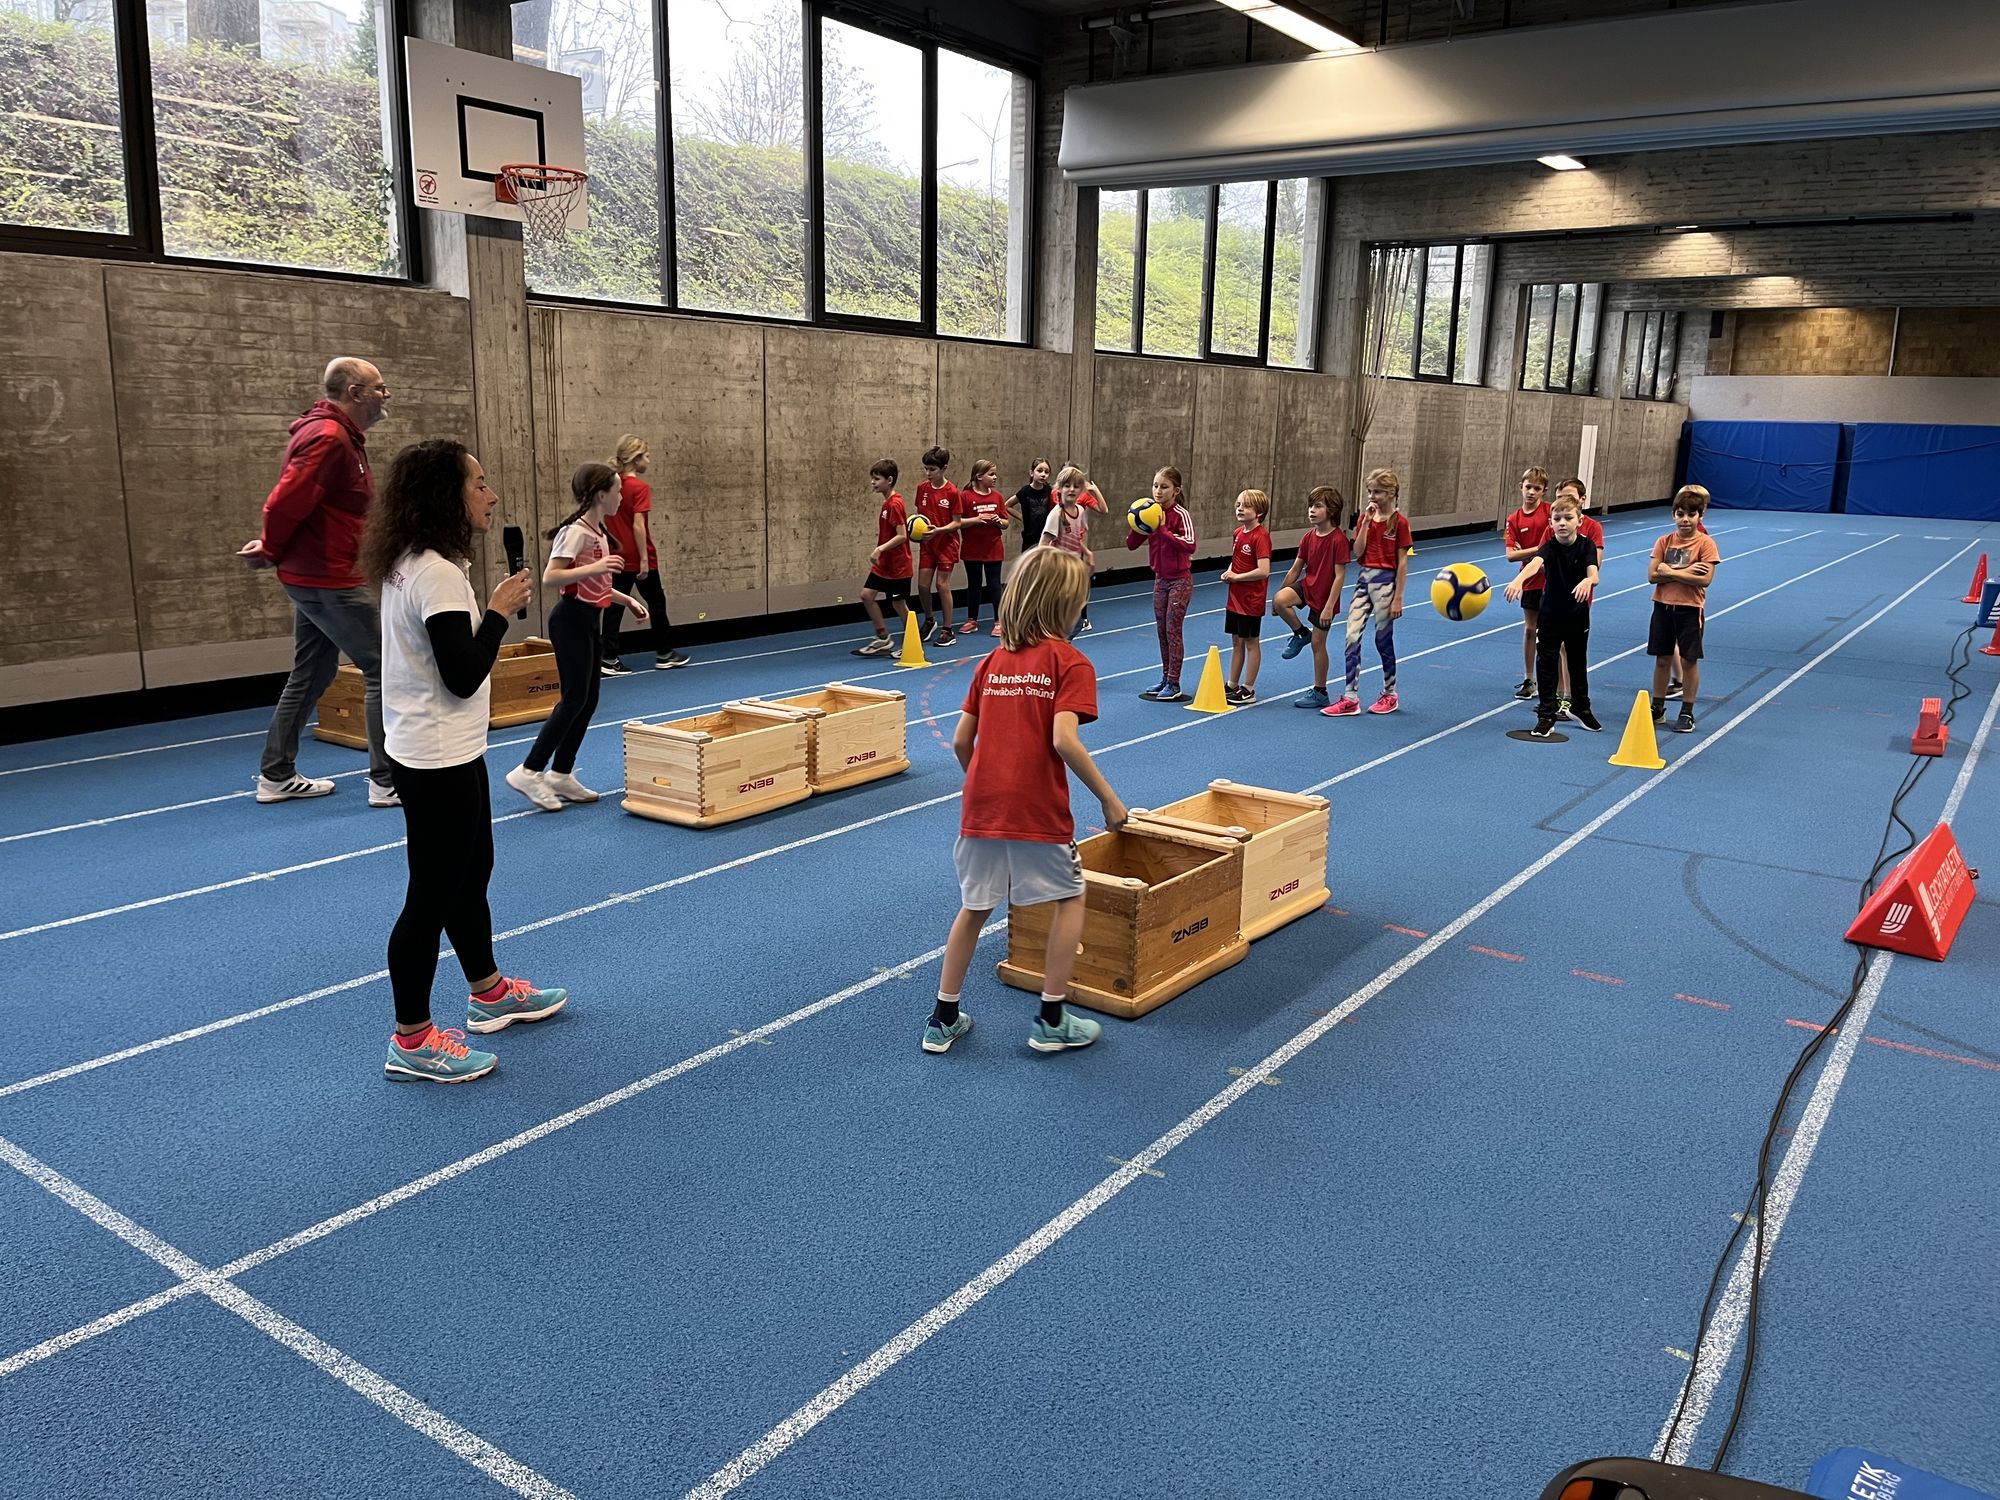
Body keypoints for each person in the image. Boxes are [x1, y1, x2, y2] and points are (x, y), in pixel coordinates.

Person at [361, 438, 565, 1084]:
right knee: (431, 896)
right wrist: (499, 612)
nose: (491, 495)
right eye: (479, 484)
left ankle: (488, 991)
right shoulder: (437, 575)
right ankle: (412, 1039)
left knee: (470, 873)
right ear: (445, 496)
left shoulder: (411, 560)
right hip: (437, 754)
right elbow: (463, 673)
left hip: (443, 746)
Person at [923, 546, 1128, 1057]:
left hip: (981, 810)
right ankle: (1051, 1019)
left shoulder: (992, 663)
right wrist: (1109, 799)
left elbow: (961, 742)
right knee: (1071, 897)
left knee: (974, 908)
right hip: (1037, 811)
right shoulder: (1070, 662)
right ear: (1066, 606)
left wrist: (987, 784)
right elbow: (1063, 740)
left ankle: (942, 1018)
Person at [241, 356, 399, 808]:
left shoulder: (340, 436)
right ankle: (387, 781)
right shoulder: (329, 437)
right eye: (380, 388)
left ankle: (276, 774)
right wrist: (271, 548)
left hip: (317, 574)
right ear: (355, 393)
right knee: (384, 669)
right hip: (328, 578)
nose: (386, 395)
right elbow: (285, 502)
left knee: (312, 672)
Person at [505, 463, 646, 811]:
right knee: (573, 699)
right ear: (601, 494)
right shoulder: (576, 532)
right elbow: (551, 577)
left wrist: (627, 600)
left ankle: (561, 773)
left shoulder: (599, 533)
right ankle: (529, 769)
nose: (621, 497)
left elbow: (597, 584)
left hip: (589, 620)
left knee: (588, 699)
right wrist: (596, 567)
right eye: (617, 491)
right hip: (569, 620)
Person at [1504, 492, 1602, 738]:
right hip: (1550, 615)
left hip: (1577, 614)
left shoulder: (1586, 546)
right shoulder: (1549, 546)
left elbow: (1594, 574)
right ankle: (1546, 715)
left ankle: (1581, 707)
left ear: (1579, 521)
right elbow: (1535, 564)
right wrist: (1518, 580)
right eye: (1557, 519)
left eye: (1568, 518)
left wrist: (1588, 581)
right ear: (1551, 523)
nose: (1562, 523)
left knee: (1577, 662)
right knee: (1546, 663)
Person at [1324, 468, 1413, 718]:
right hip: (1364, 581)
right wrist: (1364, 524)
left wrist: (1398, 597)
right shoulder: (1366, 518)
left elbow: (1402, 563)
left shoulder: (1400, 523)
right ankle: (1350, 697)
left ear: (1391, 493)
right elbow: (1358, 552)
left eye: (1378, 492)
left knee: (1382, 639)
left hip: (1385, 583)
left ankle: (1390, 692)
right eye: (1370, 491)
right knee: (1351, 636)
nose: (1372, 497)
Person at [600, 434, 689, 675]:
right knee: (657, 603)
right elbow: (638, 525)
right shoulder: (639, 488)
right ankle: (664, 653)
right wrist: (643, 559)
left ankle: (609, 657)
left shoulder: (610, 485)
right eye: (647, 456)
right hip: (638, 554)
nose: (649, 460)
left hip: (616, 553)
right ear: (636, 459)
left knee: (613, 606)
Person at [1648, 486, 1721, 735]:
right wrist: (1687, 572)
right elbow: (1652, 575)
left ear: (1701, 516)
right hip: (1662, 606)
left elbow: (1705, 579)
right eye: (1680, 514)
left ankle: (1687, 711)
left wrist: (1670, 571)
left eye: (1691, 515)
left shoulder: (1706, 544)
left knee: (1689, 660)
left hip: (1690, 609)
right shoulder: (1664, 541)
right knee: (1662, 659)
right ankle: (1657, 707)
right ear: (1673, 515)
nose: (1685, 520)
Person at [1274, 486, 1351, 709]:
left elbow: (1339, 576)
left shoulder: (1338, 540)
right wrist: (1278, 598)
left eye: (1317, 506)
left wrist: (1329, 607)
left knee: (1318, 645)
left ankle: (1320, 691)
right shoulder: (1308, 537)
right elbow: (1295, 569)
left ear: (1331, 510)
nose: (1311, 510)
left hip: (1325, 597)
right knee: (1280, 600)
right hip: (1308, 587)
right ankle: (1300, 633)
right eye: (1310, 506)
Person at [1130, 465, 1197, 702]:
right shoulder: (1150, 511)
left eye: (1164, 487)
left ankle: (1174, 682)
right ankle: (1165, 677)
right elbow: (1131, 544)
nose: (1158, 491)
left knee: (1172, 629)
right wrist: (1137, 522)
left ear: (1176, 490)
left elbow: (1190, 545)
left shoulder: (1180, 514)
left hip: (1180, 581)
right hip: (1160, 580)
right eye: (1155, 486)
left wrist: (1163, 529)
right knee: (1161, 631)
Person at [1551, 476, 1606, 721]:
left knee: (1569, 647)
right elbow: (1543, 557)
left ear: (1582, 500)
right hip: (1554, 594)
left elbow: (1595, 563)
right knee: (1554, 646)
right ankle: (1558, 694)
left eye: (1570, 497)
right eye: (1559, 497)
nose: (1564, 502)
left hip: (1578, 595)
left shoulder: (1592, 528)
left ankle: (1570, 697)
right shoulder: (1554, 524)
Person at [853, 459, 913, 656]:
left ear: (889, 480)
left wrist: (880, 549)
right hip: (885, 565)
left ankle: (912, 643)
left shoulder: (895, 504)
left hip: (899, 566)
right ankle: (883, 638)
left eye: (877, 479)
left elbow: (902, 535)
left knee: (898, 604)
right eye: (872, 478)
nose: (873, 482)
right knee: (866, 595)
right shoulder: (887, 504)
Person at [1503, 467, 1551, 701]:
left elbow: (1555, 543)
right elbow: (1511, 555)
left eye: (1537, 488)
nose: (1531, 492)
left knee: (1551, 633)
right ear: (1520, 487)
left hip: (1552, 580)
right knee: (1530, 629)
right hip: (1530, 580)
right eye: (1528, 487)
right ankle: (1529, 679)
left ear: (1544, 490)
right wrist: (1540, 550)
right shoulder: (1513, 520)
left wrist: (1529, 551)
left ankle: (1554, 681)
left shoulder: (1550, 512)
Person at [1220, 489, 1273, 704]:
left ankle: (1248, 688)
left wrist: (1237, 577)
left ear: (1259, 512)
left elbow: (1264, 570)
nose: (1240, 509)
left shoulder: (1261, 537)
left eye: (1246, 506)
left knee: (1251, 642)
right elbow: (1236, 560)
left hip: (1251, 600)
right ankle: (1232, 683)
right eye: (1238, 505)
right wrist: (1229, 572)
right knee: (1236, 641)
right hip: (1235, 597)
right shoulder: (1238, 533)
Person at [913, 445, 961, 646]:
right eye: (926, 469)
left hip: (946, 545)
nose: (928, 473)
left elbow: (957, 522)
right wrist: (916, 531)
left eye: (932, 469)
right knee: (922, 586)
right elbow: (919, 517)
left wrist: (938, 530)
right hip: (928, 545)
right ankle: (929, 620)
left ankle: (948, 630)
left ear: (944, 468)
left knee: (942, 585)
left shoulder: (952, 492)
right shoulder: (922, 489)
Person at [957, 459, 1012, 634]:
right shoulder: (965, 496)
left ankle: (999, 620)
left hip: (993, 547)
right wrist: (976, 520)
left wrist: (999, 521)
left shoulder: (997, 497)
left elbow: (1006, 523)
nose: (995, 477)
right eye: (991, 474)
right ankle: (971, 620)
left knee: (994, 584)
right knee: (974, 584)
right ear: (979, 476)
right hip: (972, 548)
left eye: (995, 474)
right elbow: (957, 522)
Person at [1041, 467, 1098, 632]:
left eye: (1076, 486)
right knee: (1062, 614)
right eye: (1067, 486)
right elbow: (1043, 544)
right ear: (1059, 489)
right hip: (1060, 568)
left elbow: (1075, 538)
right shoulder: (1056, 515)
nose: (1071, 489)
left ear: (1082, 490)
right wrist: (1047, 568)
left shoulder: (1080, 511)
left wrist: (1087, 553)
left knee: (1075, 618)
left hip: (1075, 566)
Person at [1014, 458, 1053, 553]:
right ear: (1031, 473)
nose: (1043, 474)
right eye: (1039, 471)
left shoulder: (1049, 490)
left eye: (1046, 472)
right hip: (1029, 538)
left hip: (1045, 536)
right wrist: (1021, 517)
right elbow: (1007, 505)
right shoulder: (1025, 491)